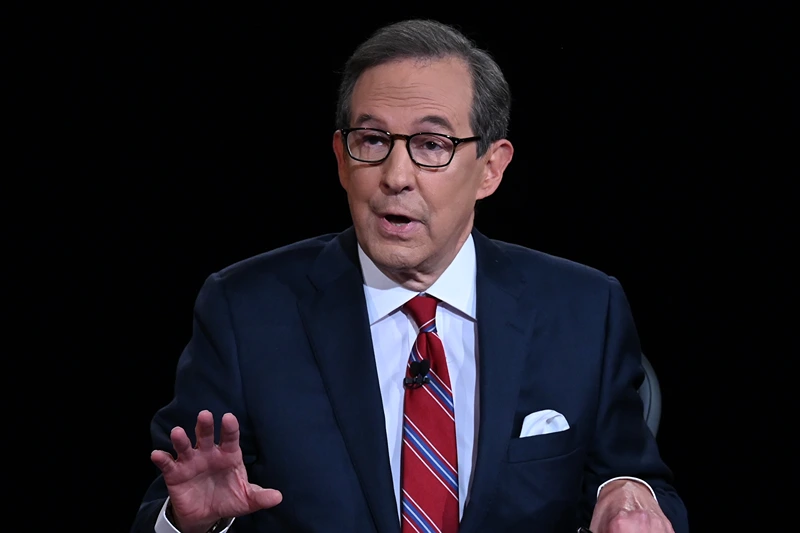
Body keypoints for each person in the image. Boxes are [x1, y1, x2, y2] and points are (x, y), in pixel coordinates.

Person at [131, 18, 689, 533]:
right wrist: (193, 525)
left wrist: (627, 493)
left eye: (431, 145)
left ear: (490, 168)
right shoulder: (246, 311)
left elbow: (632, 477)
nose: (396, 176)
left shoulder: (585, 310)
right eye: (372, 141)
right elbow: (170, 504)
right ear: (342, 158)